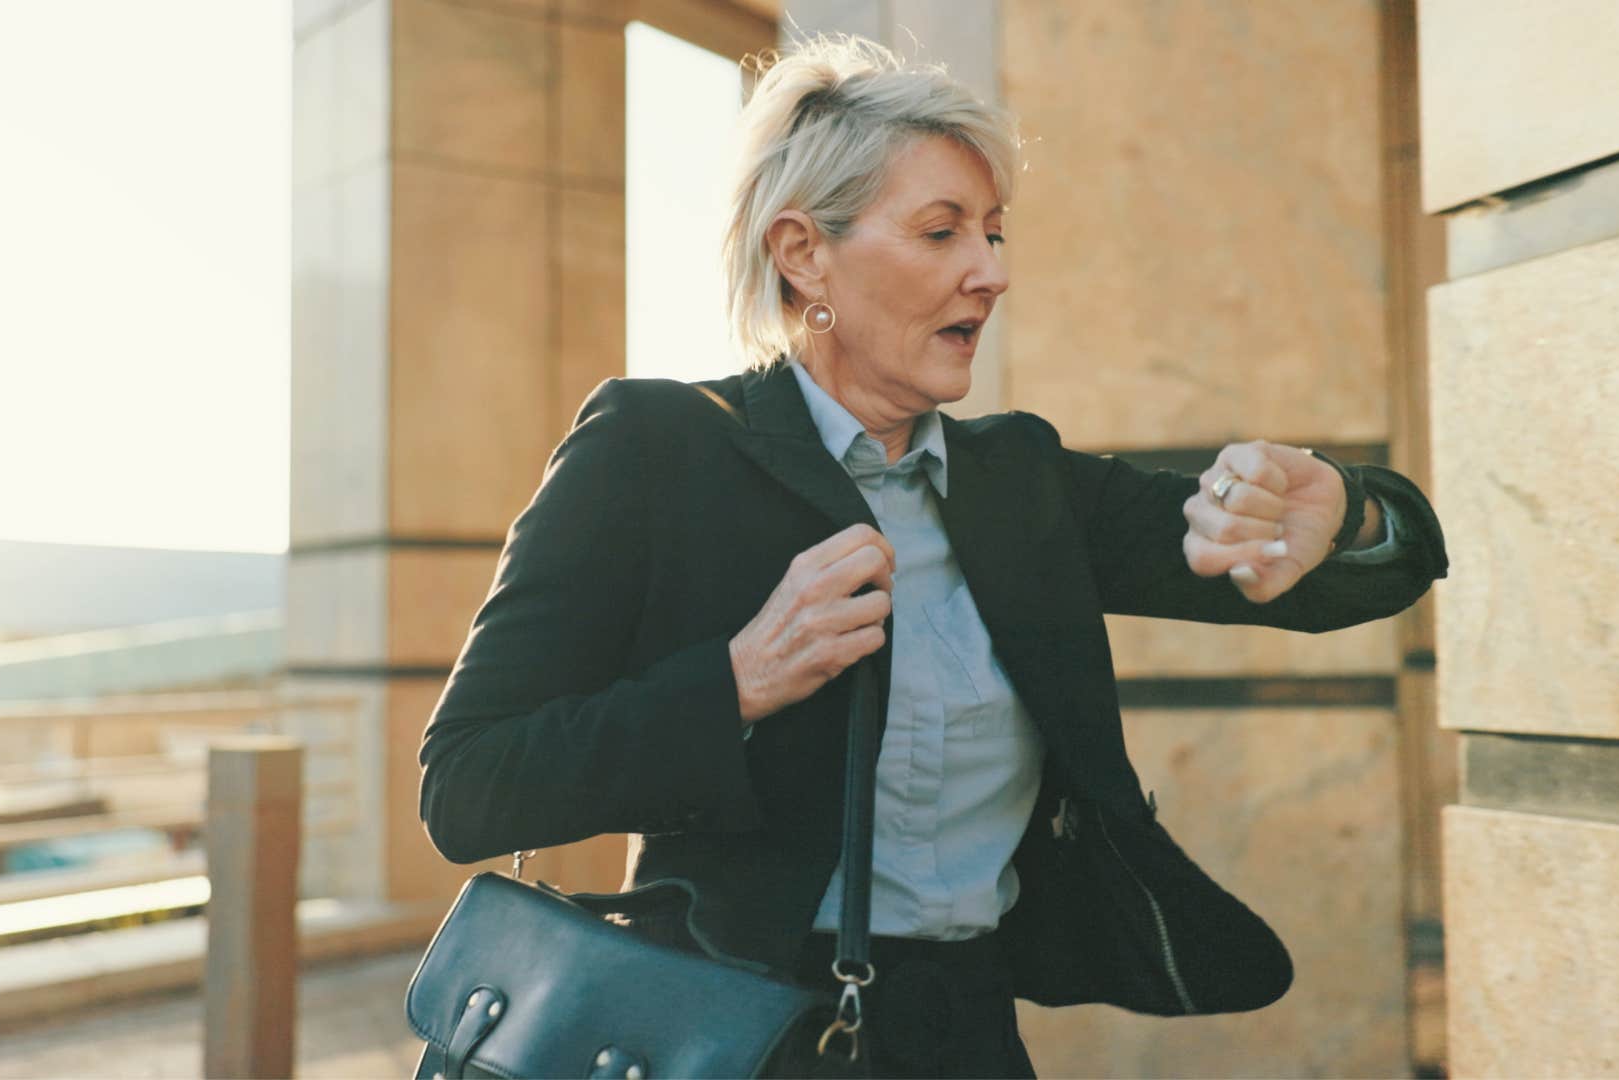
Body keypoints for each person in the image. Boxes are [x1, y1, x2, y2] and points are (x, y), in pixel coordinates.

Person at [418, 34, 1445, 1079]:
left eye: (994, 234)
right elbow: (467, 787)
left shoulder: (1024, 481)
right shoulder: (653, 450)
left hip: (966, 1028)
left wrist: (1346, 508)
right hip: (725, 1031)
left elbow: (1315, 568)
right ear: (803, 253)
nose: (991, 273)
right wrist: (735, 683)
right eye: (942, 231)